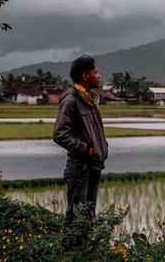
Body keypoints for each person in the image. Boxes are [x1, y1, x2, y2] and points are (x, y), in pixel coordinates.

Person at [53, 54, 108, 248]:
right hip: (80, 166)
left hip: (94, 165)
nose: (99, 76)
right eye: (95, 72)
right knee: (75, 214)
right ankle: (67, 253)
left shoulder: (90, 100)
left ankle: (83, 252)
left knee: (88, 213)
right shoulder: (71, 99)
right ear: (85, 76)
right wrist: (86, 150)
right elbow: (60, 133)